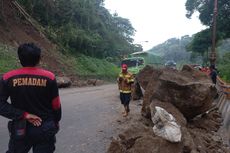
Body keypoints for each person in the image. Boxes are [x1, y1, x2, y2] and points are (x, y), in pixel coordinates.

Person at [0, 43, 62, 153]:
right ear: (38, 59)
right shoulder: (49, 77)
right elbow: (56, 105)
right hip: (45, 128)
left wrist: (24, 115)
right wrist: (56, 122)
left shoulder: (8, 78)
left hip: (20, 128)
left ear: (20, 59)